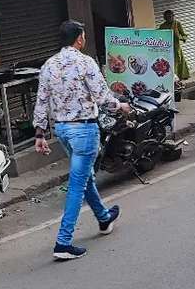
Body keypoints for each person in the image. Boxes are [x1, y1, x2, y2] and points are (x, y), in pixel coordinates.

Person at [33, 20, 131, 261]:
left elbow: (41, 101)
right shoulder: (85, 62)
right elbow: (102, 96)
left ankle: (104, 218)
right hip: (84, 131)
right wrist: (120, 106)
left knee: (85, 178)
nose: (84, 39)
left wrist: (40, 133)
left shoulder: (49, 65)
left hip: (62, 131)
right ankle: (63, 242)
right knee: (77, 185)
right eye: (84, 36)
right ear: (79, 39)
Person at [159, 10, 190, 81]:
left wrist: (181, 38)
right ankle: (172, 79)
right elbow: (159, 36)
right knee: (170, 63)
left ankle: (181, 77)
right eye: (167, 17)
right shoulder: (162, 26)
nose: (169, 18)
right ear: (164, 18)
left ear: (173, 16)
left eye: (171, 16)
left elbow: (184, 35)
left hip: (176, 48)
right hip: (167, 49)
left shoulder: (177, 24)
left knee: (179, 62)